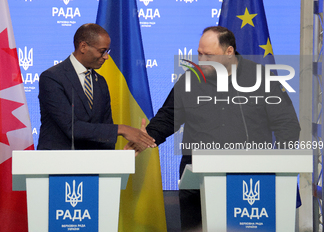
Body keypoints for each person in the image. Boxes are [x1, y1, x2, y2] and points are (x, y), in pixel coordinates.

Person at [126, 26, 301, 231]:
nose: (201, 60)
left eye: (208, 55)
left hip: (250, 181)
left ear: (229, 52)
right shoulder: (189, 80)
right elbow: (168, 117)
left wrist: (280, 165)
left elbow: (287, 124)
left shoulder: (262, 78)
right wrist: (146, 137)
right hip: (198, 181)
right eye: (199, 53)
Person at [37, 23, 156, 151]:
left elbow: (105, 128)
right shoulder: (52, 78)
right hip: (57, 164)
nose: (106, 57)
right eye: (102, 51)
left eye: (107, 51)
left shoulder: (100, 82)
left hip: (93, 165)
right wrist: (121, 129)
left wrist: (114, 161)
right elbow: (71, 128)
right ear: (83, 47)